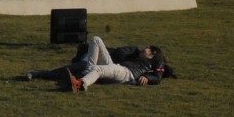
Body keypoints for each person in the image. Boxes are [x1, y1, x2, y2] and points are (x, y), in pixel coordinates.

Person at [27, 36, 176, 92]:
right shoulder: (137, 55)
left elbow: (158, 76)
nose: (144, 48)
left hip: (127, 73)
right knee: (96, 40)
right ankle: (40, 73)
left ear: (153, 53)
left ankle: (80, 83)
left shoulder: (157, 60)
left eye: (147, 48)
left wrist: (148, 78)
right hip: (116, 67)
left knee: (96, 69)